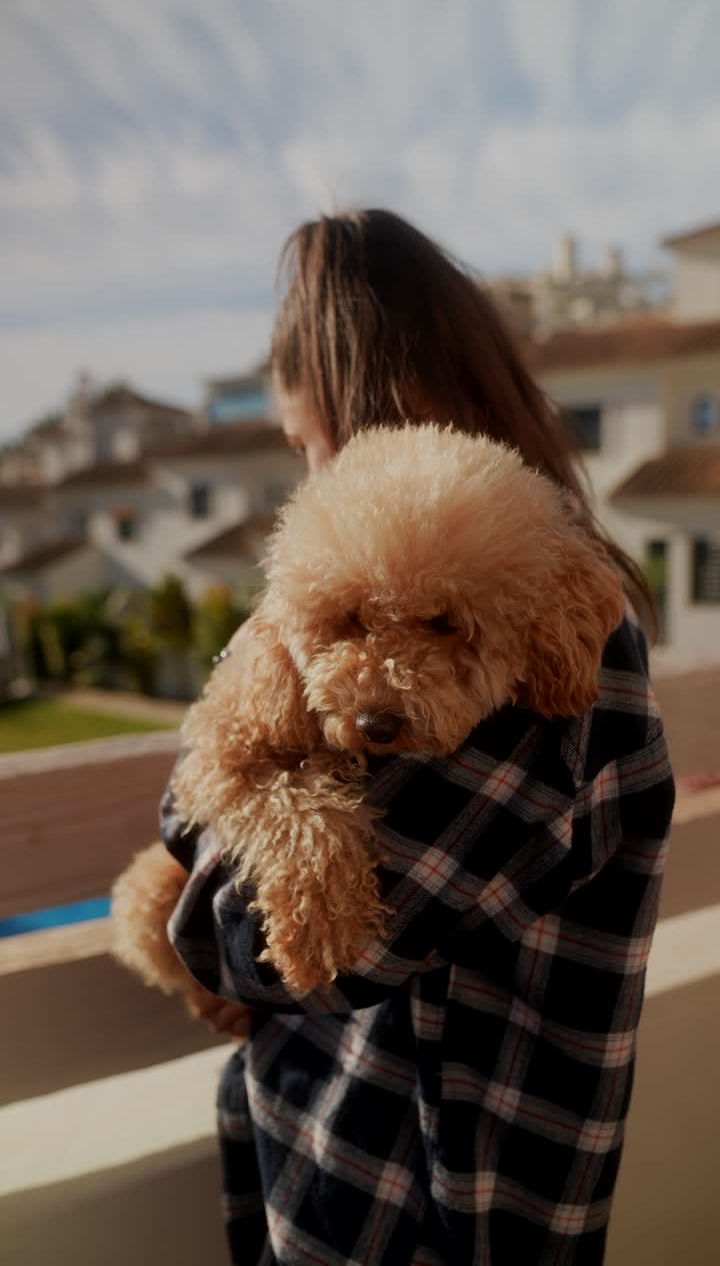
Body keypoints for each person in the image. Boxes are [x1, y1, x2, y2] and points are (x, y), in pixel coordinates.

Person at [161, 210, 675, 1265]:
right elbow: (225, 772)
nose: (313, 482)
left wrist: (190, 852)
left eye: (318, 443)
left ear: (411, 410)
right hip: (332, 1166)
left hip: (436, 1209)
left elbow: (271, 943)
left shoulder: (536, 627)